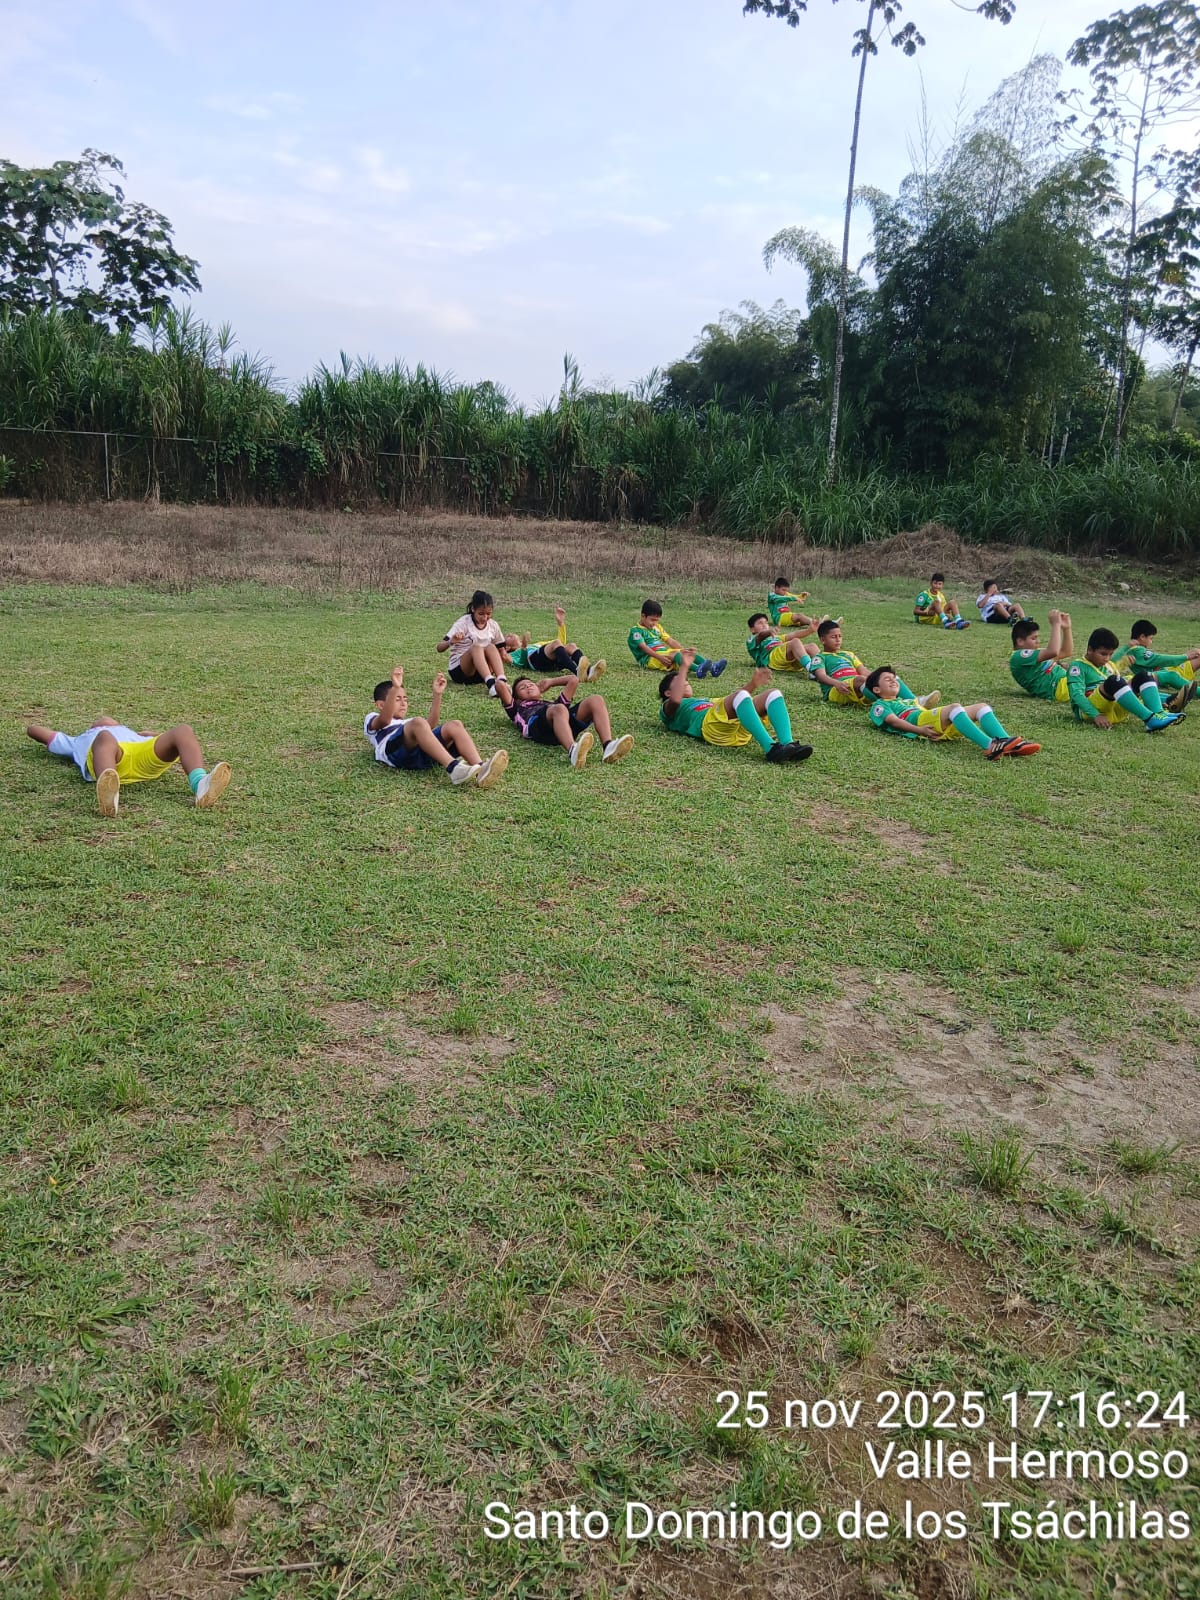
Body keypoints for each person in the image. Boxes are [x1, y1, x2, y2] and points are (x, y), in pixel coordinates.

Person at [26, 715, 232, 818]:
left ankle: (200, 785)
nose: (103, 719)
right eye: (99, 721)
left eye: (108, 720)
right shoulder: (78, 740)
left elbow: (172, 742)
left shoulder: (132, 733)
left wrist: (152, 735)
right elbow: (35, 731)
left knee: (183, 730)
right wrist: (33, 727)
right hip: (111, 758)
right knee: (104, 737)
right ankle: (109, 793)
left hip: (140, 753)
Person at [659, 651, 812, 763]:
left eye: (685, 679)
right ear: (667, 693)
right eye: (679, 681)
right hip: (711, 729)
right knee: (740, 695)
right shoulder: (668, 707)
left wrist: (753, 684)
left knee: (773, 694)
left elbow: (738, 702)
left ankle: (788, 744)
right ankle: (771, 749)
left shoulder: (704, 700)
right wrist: (684, 668)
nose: (685, 681)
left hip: (736, 731)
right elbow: (675, 701)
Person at [366, 667, 508, 787]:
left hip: (422, 756)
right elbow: (384, 720)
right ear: (381, 705)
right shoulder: (372, 718)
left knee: (455, 725)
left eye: (405, 699)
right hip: (395, 755)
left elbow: (429, 726)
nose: (403, 703)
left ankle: (481, 769)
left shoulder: (408, 723)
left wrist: (437, 695)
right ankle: (453, 768)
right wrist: (396, 688)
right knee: (418, 722)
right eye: (397, 699)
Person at [862, 667, 1039, 758]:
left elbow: (904, 687)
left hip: (933, 724)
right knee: (954, 707)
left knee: (981, 707)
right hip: (921, 723)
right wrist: (919, 730)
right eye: (887, 679)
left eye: (894, 679)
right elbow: (893, 721)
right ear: (876, 689)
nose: (893, 681)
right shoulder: (880, 705)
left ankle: (1007, 743)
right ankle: (989, 746)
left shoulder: (907, 700)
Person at [494, 673, 634, 770]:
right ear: (517, 698)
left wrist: (551, 682)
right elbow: (499, 685)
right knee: (559, 708)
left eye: (531, 684)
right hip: (538, 728)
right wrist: (507, 689)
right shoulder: (517, 708)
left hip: (562, 724)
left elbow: (573, 680)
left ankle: (608, 746)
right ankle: (573, 750)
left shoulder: (552, 704)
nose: (528, 686)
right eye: (522, 687)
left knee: (596, 700)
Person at [1064, 629, 1184, 734]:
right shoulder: (1077, 666)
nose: (1107, 658)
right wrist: (1096, 715)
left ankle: (1159, 714)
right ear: (1090, 650)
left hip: (1115, 709)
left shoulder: (1108, 665)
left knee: (1144, 675)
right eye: (1103, 654)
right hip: (1092, 711)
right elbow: (1076, 695)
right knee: (1114, 680)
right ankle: (1150, 719)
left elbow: (1116, 671)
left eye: (1110, 654)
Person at [806, 619, 938, 709]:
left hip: (859, 686)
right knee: (860, 679)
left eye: (840, 636)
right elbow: (821, 676)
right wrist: (836, 683)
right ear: (823, 640)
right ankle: (898, 706)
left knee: (887, 675)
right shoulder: (820, 657)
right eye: (833, 637)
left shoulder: (848, 654)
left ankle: (915, 701)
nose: (838, 640)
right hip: (836, 690)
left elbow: (863, 670)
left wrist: (880, 677)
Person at [1110, 620, 1199, 712]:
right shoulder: (1137, 650)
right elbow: (1157, 659)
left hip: (1164, 671)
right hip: (1159, 675)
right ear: (1142, 637)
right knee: (1170, 675)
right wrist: (1185, 657)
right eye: (1151, 638)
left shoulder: (1137, 650)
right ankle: (1179, 696)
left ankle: (1173, 698)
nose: (1151, 642)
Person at [504, 606, 605, 682]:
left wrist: (561, 624)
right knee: (555, 643)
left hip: (552, 663)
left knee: (571, 646)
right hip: (535, 663)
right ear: (507, 647)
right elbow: (521, 664)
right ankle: (578, 673)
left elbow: (560, 644)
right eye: (507, 636)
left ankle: (590, 671)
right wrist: (523, 648)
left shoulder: (536, 645)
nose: (510, 634)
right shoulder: (511, 654)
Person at [628, 600, 727, 677]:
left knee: (688, 653)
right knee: (675, 654)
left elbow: (670, 640)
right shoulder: (636, 631)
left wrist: (683, 650)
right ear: (643, 616)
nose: (654, 623)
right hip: (650, 659)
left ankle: (713, 668)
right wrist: (660, 658)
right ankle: (698, 670)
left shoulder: (657, 627)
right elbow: (644, 648)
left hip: (664, 654)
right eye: (652, 620)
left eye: (657, 620)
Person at [437, 589, 509, 693]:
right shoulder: (463, 623)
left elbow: (501, 649)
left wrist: (506, 655)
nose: (485, 618)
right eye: (481, 614)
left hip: (481, 674)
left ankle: (502, 682)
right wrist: (451, 642)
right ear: (473, 609)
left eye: (488, 614)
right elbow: (439, 648)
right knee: (476, 647)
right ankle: (491, 685)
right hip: (461, 672)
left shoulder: (493, 625)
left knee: (491, 647)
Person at [1009, 611, 1075, 703]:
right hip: (1060, 688)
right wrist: (1056, 625)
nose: (1038, 641)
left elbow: (1066, 652)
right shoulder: (1018, 657)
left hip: (1068, 681)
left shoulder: (1034, 655)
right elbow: (1053, 651)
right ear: (1020, 641)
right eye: (1034, 638)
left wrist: (1066, 629)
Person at [745, 612, 817, 671]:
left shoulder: (775, 637)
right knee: (795, 642)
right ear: (752, 629)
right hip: (771, 659)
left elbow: (792, 635)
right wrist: (769, 632)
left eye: (766, 623)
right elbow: (760, 636)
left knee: (812, 646)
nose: (764, 625)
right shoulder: (752, 640)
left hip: (787, 660)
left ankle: (821, 668)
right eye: (760, 623)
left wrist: (810, 630)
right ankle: (812, 669)